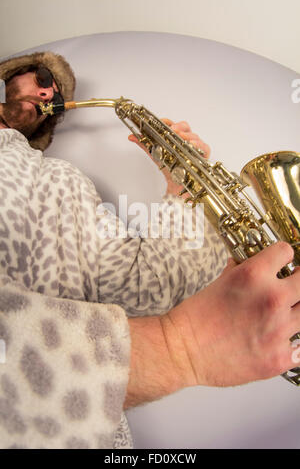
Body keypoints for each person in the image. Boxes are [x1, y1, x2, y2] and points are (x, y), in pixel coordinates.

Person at [0, 51, 299, 450]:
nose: (47, 90)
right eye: (39, 76)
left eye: (52, 90)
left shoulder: (62, 179)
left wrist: (185, 193)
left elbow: (142, 286)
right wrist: (178, 348)